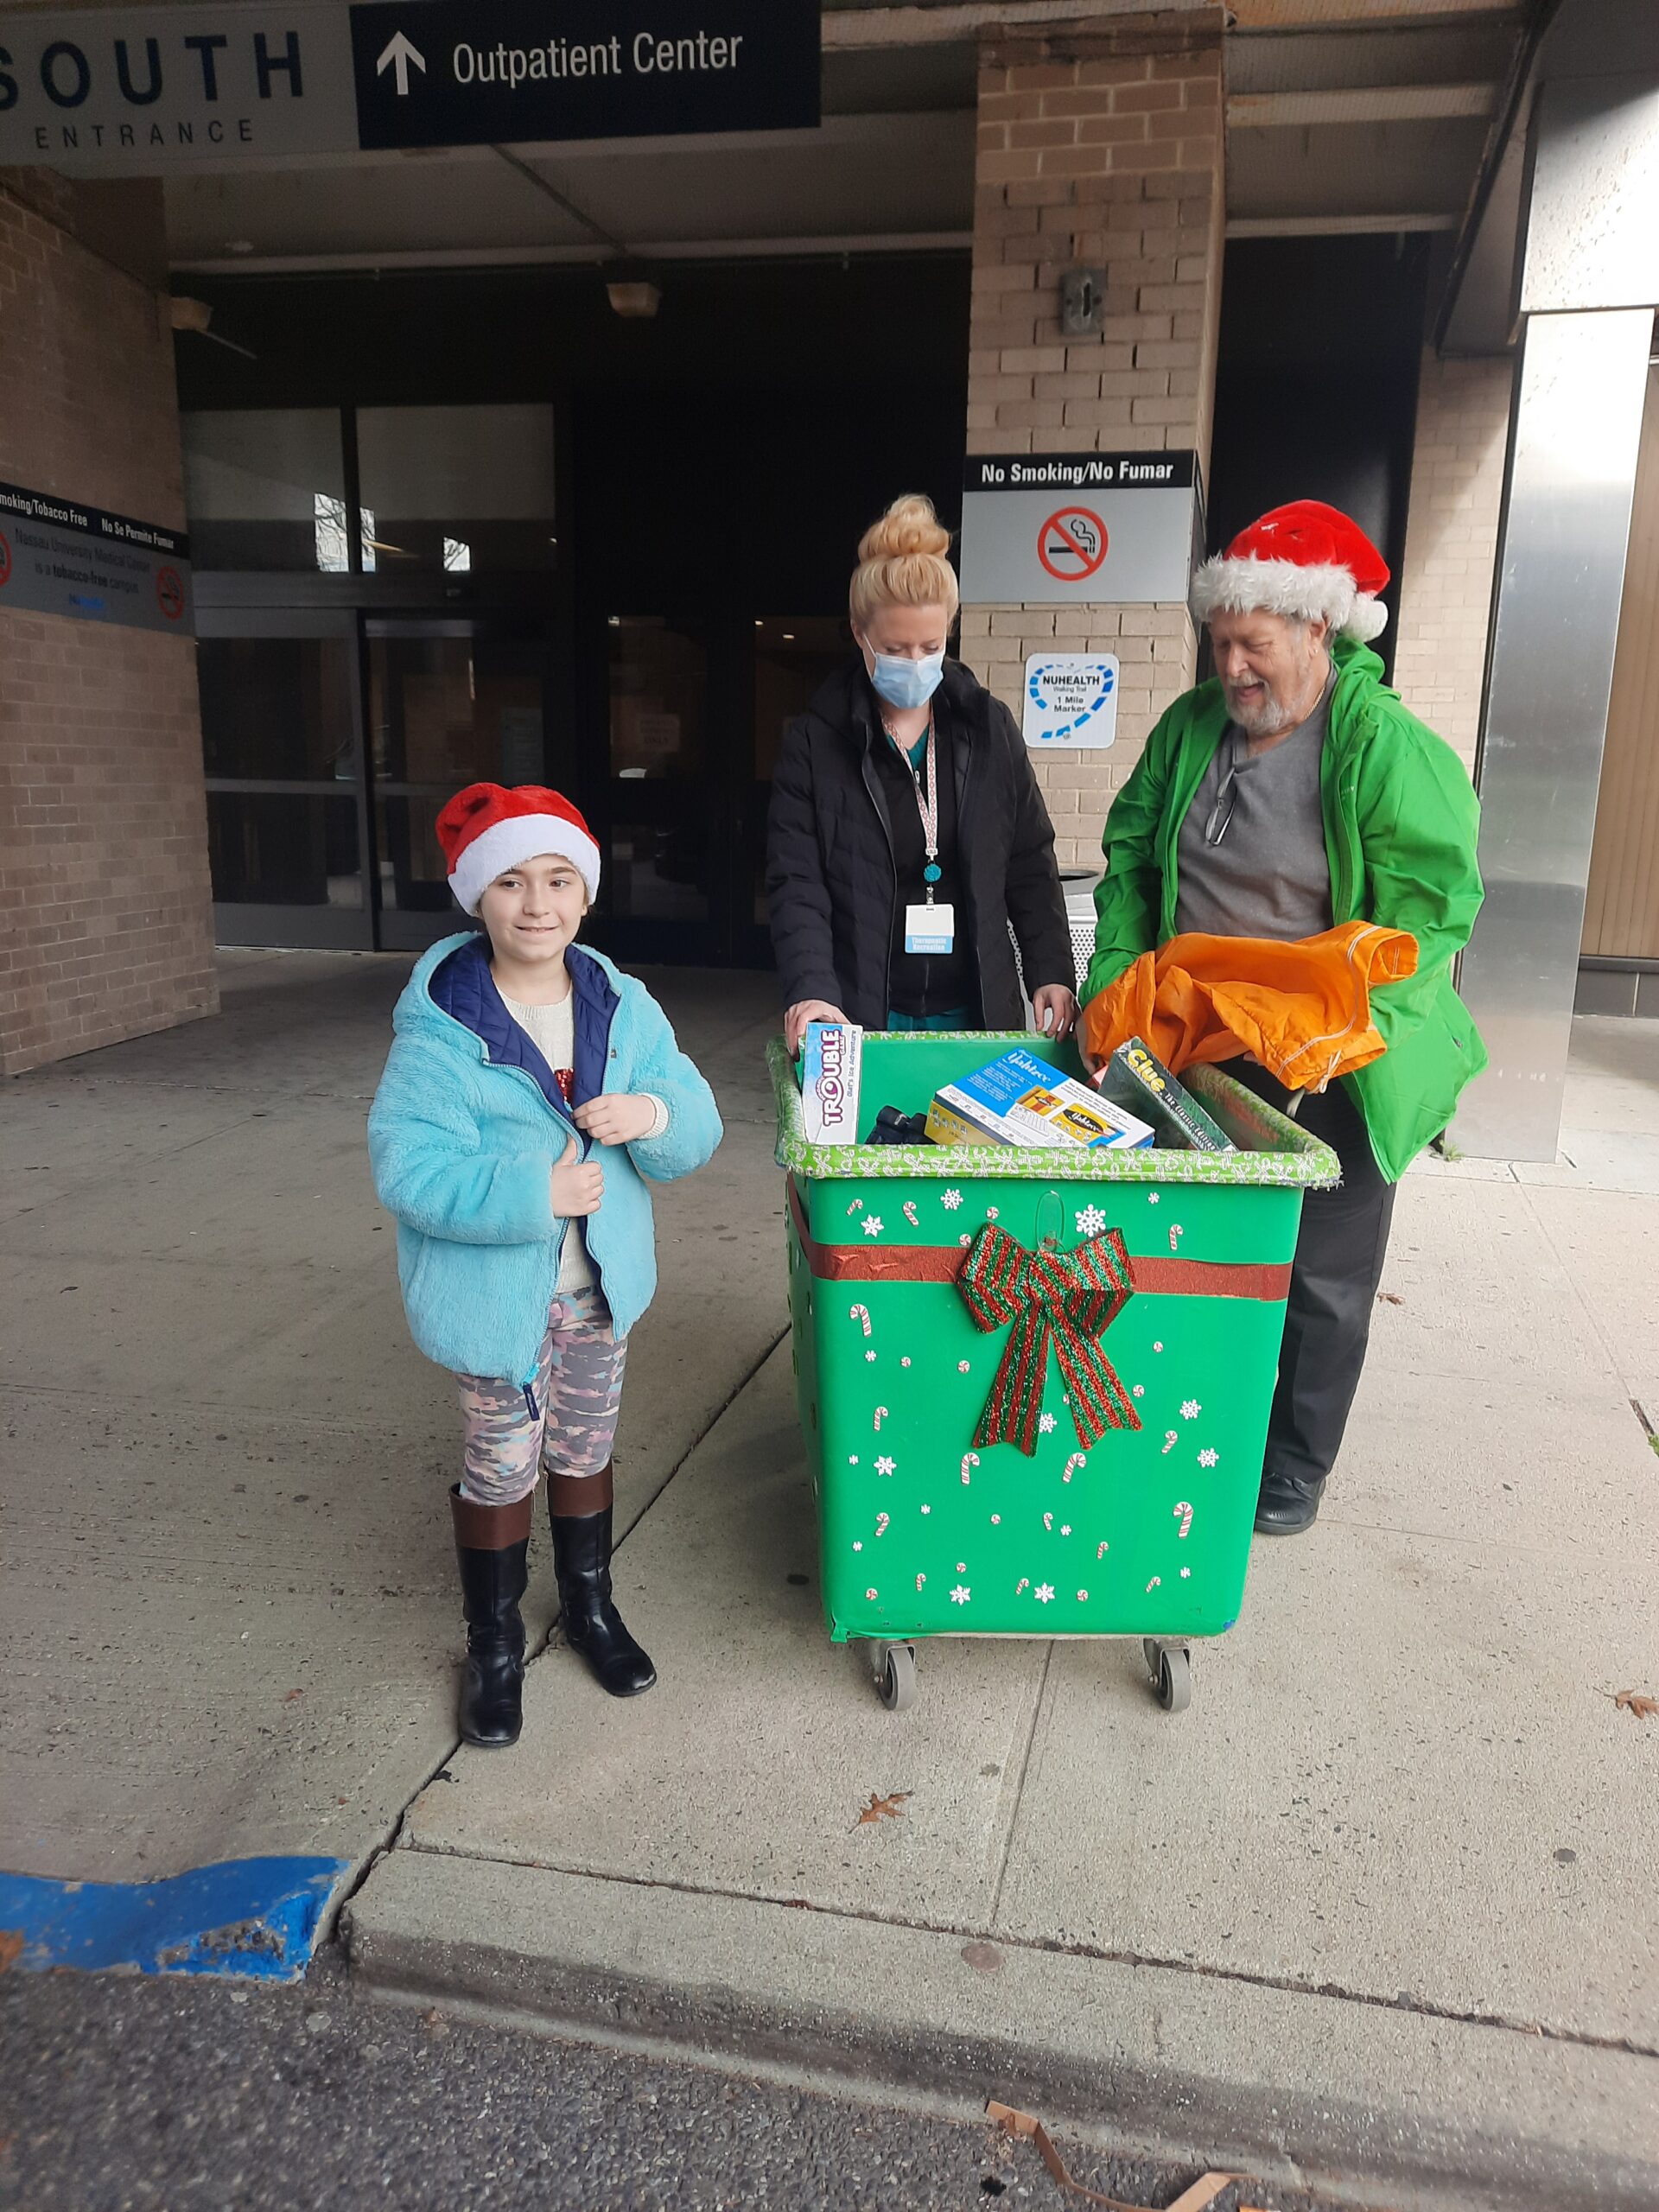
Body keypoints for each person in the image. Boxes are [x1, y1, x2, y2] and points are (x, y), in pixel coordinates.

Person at [1082, 499, 1486, 1536]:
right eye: (1220, 645)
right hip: (1192, 1046)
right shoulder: (1190, 729)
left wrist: (1346, 1034)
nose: (1232, 668)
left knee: (1323, 1277)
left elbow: (1431, 915)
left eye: (1253, 645)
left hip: (1330, 1060)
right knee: (1181, 1250)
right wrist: (1118, 982)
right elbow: (1130, 858)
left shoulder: (1387, 747)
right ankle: (1185, 1418)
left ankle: (1290, 1467)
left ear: (1320, 630)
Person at [368, 784, 722, 1746]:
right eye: (512, 881)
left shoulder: (620, 1003)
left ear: (586, 893)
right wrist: (536, 1191)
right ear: (477, 896)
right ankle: (492, 1642)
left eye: (560, 879)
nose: (538, 903)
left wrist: (651, 1115)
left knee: (584, 1446)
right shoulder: (446, 1023)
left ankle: (589, 1607)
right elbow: (409, 1166)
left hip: (597, 1296)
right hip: (497, 1306)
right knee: (501, 1464)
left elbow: (696, 1118)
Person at [766, 493, 1078, 1053]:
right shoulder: (816, 742)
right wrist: (811, 990)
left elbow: (1030, 859)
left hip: (977, 1008)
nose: (914, 663)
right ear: (859, 634)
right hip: (861, 1008)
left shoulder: (989, 728)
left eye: (930, 646)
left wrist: (1050, 967)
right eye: (894, 648)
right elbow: (798, 883)